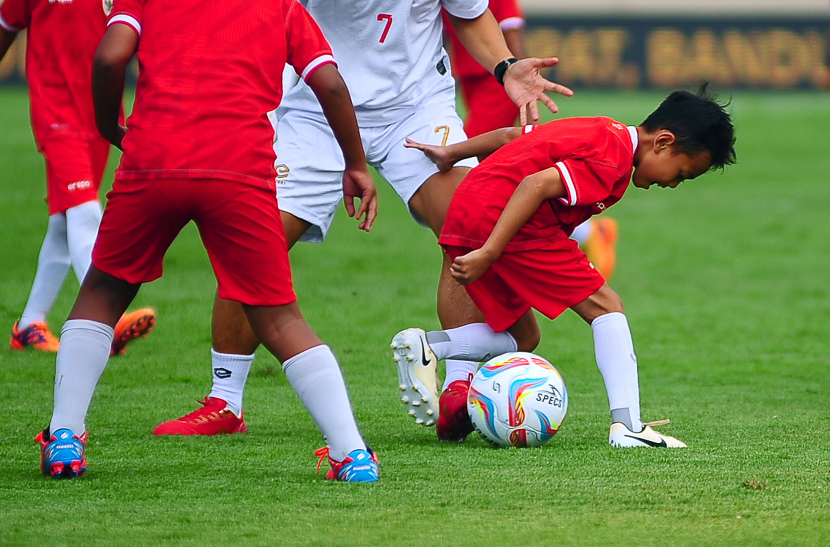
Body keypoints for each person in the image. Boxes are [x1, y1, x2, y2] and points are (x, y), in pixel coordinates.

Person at [153, 0, 574, 439]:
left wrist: (505, 66)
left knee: (472, 221)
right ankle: (225, 402)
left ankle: (460, 388)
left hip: (416, 109)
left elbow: (469, 13)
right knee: (255, 242)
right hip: (316, 109)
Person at [35, 0, 380, 482]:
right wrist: (356, 163)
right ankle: (353, 455)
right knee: (280, 318)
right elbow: (329, 83)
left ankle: (66, 437)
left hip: (155, 156)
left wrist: (107, 126)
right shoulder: (281, 7)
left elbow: (109, 57)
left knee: (102, 292)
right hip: (239, 168)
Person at [392, 86, 736, 445]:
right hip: (507, 221)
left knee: (524, 337)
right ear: (663, 142)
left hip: (470, 207)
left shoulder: (601, 129)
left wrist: (451, 154)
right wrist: (491, 252)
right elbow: (535, 184)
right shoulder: (613, 158)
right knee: (607, 307)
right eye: (682, 173)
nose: (675, 184)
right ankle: (628, 427)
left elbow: (512, 136)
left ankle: (430, 346)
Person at [0, 0, 155, 356]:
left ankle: (28, 324)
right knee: (84, 211)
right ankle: (108, 319)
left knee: (63, 221)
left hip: (99, 115)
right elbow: (6, 25)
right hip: (55, 112)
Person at [444, 0, 619, 282]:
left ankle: (582, 234)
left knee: (472, 166)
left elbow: (511, 33)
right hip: (473, 80)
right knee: (490, 175)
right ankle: (586, 233)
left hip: (497, 83)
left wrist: (523, 80)